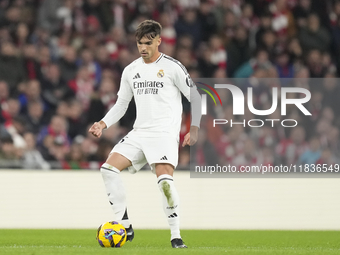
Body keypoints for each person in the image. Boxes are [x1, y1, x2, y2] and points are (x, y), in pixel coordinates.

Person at [89, 20, 201, 248]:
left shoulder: (172, 66)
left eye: (148, 43)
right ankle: (125, 224)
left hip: (164, 134)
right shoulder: (131, 70)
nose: (143, 48)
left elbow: (196, 97)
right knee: (108, 170)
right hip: (140, 132)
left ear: (159, 41)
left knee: (165, 184)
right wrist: (102, 123)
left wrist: (194, 128)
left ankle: (175, 235)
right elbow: (121, 105)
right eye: (139, 43)